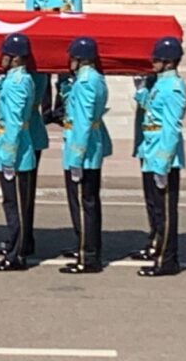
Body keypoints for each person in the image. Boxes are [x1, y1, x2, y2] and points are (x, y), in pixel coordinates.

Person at [132, 37, 186, 277]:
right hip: (150, 151)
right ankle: (156, 248)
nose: (152, 62)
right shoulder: (160, 84)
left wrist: (163, 164)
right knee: (154, 208)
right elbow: (152, 109)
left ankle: (167, 260)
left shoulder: (173, 87)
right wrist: (141, 90)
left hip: (162, 157)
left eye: (156, 59)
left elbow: (171, 127)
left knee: (164, 212)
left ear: (168, 62)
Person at [58, 37, 112, 274]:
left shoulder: (87, 82)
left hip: (83, 151)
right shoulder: (90, 78)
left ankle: (88, 256)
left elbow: (83, 120)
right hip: (88, 148)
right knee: (85, 203)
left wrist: (76, 158)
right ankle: (85, 246)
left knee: (83, 204)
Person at [0, 33, 36, 272]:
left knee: (15, 205)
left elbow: (15, 122)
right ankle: (16, 246)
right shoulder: (13, 80)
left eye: (5, 54)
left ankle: (17, 254)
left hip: (15, 154)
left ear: (16, 58)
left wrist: (8, 156)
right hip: (10, 150)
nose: (2, 58)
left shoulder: (19, 83)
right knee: (11, 203)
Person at [25, 0, 83, 125]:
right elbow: (29, 7)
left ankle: (60, 109)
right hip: (44, 26)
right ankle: (46, 110)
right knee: (43, 70)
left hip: (64, 26)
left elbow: (78, 7)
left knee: (65, 70)